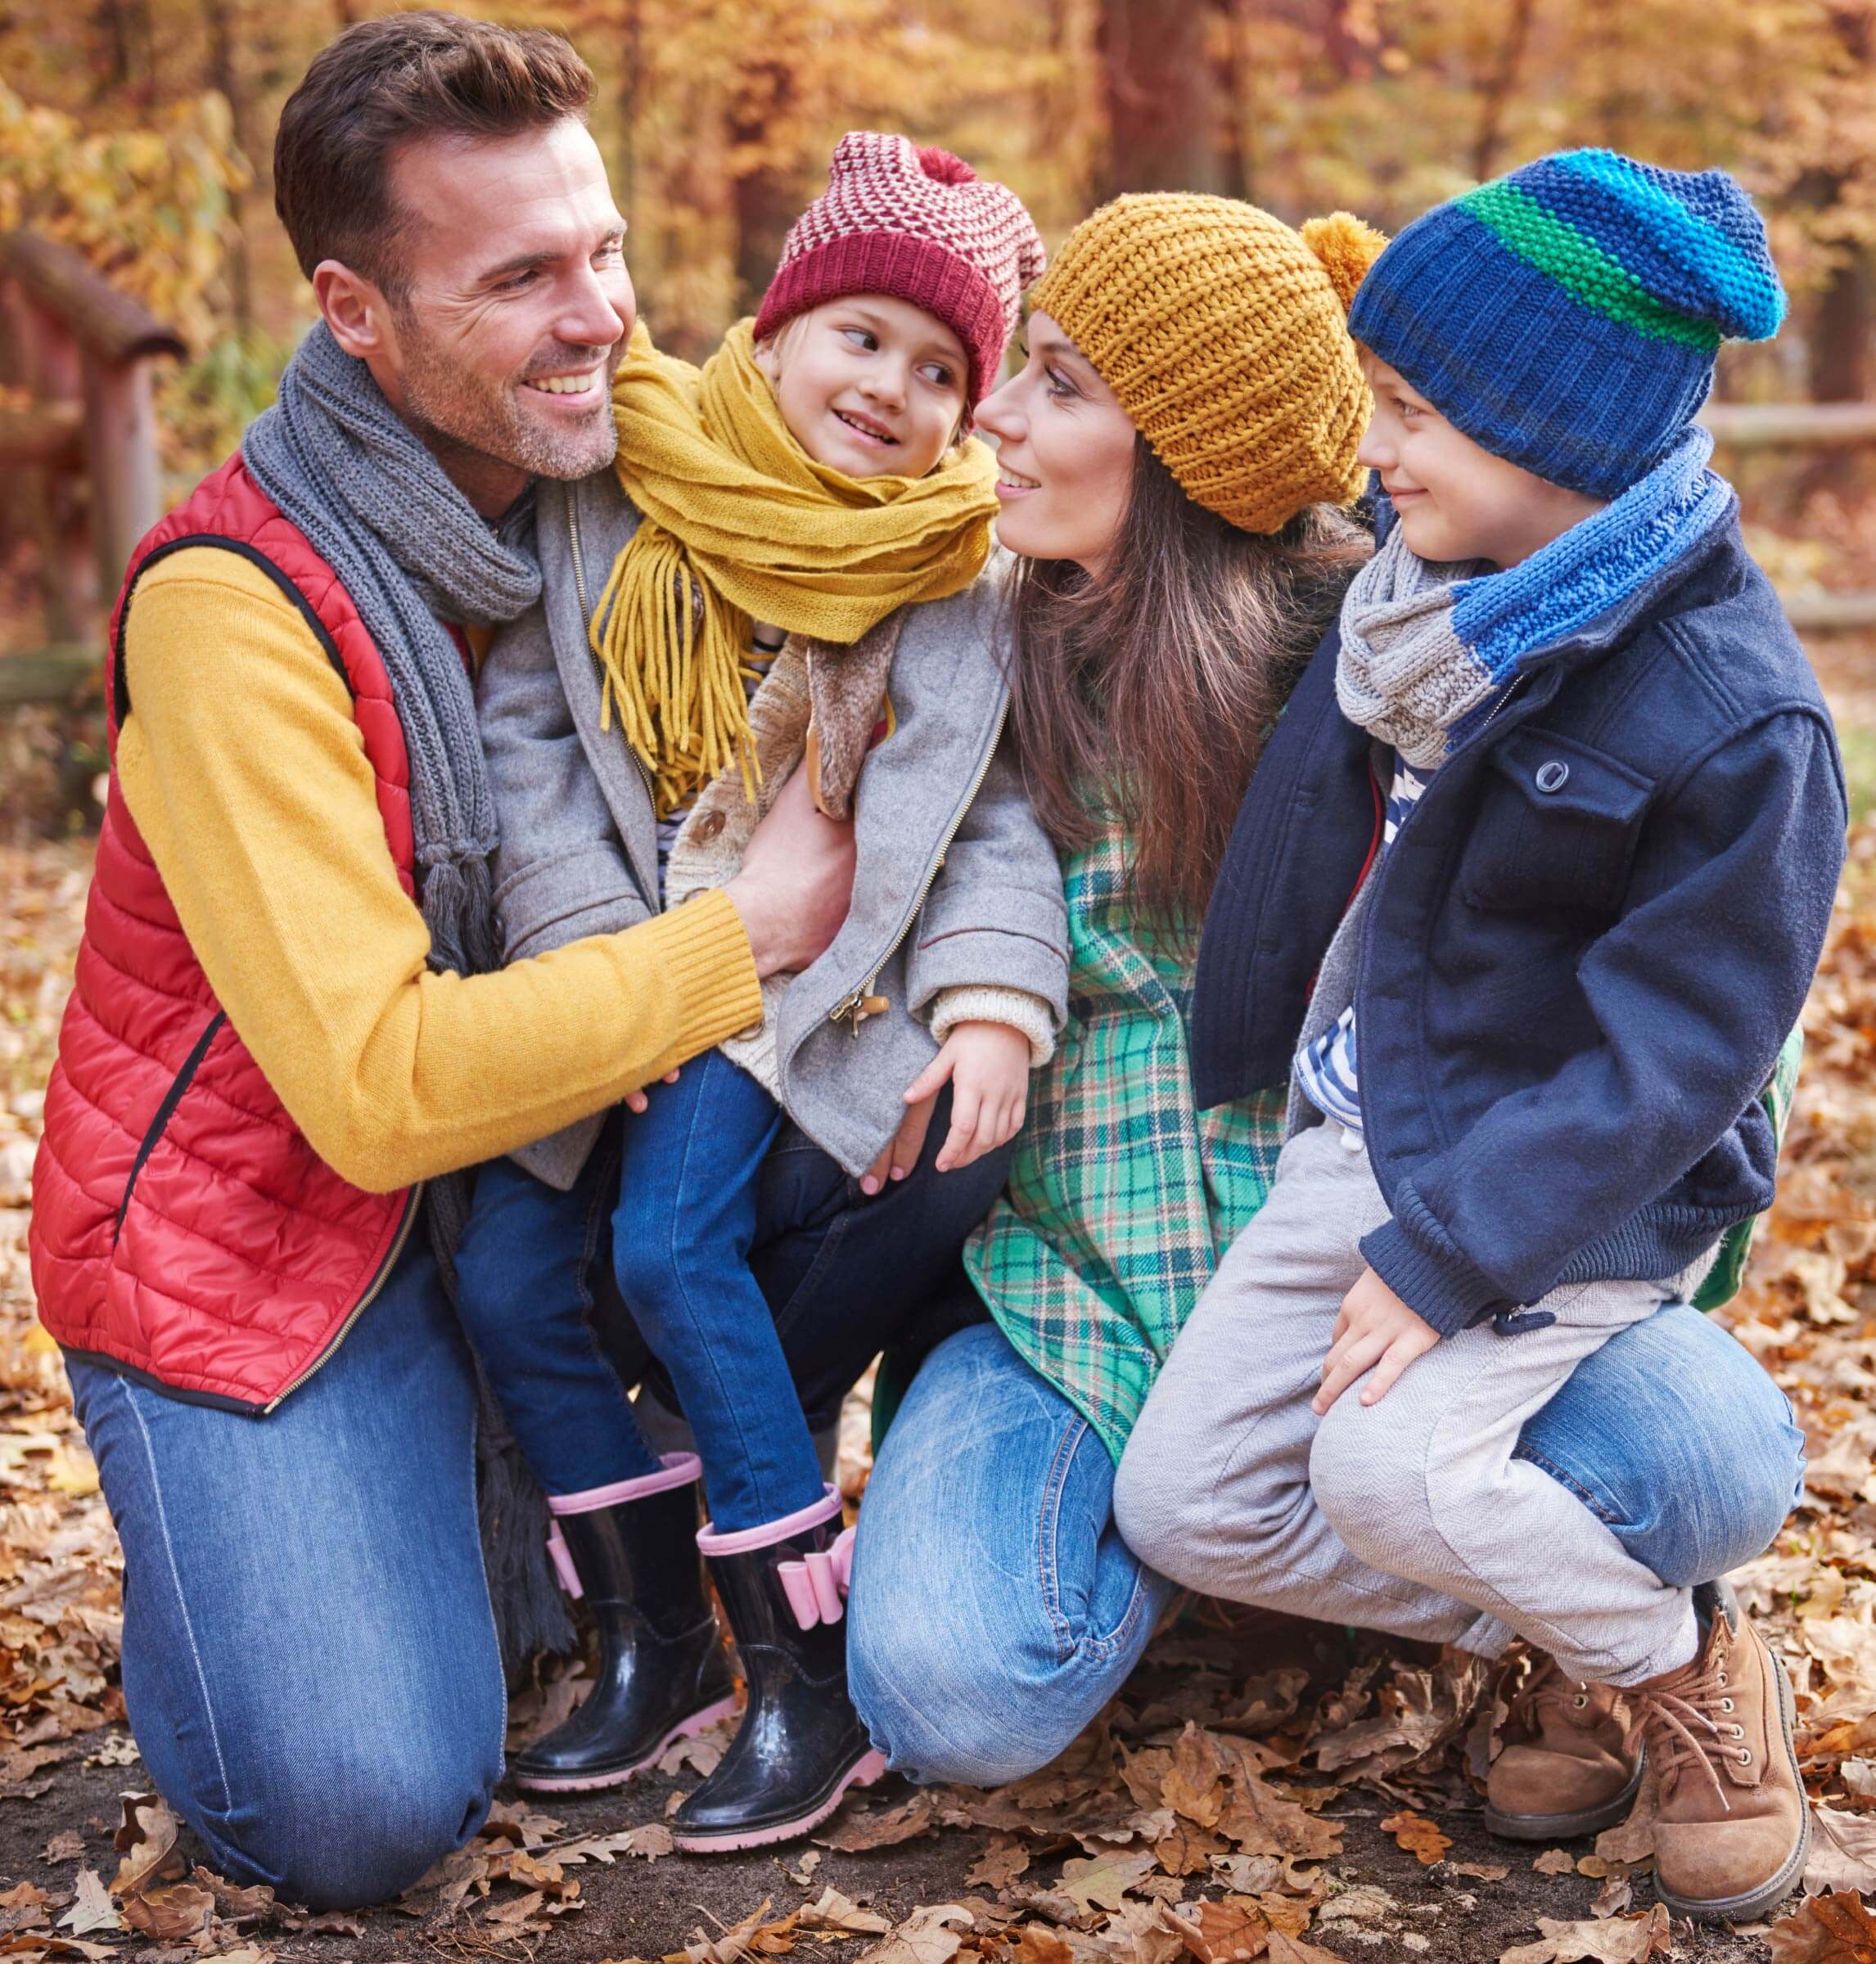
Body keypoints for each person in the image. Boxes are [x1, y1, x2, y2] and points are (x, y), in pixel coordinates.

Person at [26, 16, 985, 1911]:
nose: (602, 318)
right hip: (280, 1239)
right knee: (358, 1804)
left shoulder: (631, 482)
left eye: (607, 249)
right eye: (525, 277)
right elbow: (378, 1093)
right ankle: (247, 1551)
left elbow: (908, 594)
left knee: (905, 1138)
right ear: (355, 314)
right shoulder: (236, 614)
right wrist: (741, 940)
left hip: (541, 1173)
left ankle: (745, 1578)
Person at [844, 188, 1811, 1816]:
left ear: (1186, 451)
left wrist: (1471, 1254)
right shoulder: (966, 658)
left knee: (1703, 1465)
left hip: (1407, 1240)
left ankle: (1605, 1636)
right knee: (964, 1688)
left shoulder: (1400, 656)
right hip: (1084, 1290)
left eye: (1060, 382)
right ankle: (1342, 1571)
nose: (992, 416)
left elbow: (1674, 1034)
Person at [1114, 152, 1845, 1924]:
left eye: (1419, 412)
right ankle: (1570, 1622)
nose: (1379, 447)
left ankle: (1672, 1667)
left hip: (1567, 1193)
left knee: (1377, 1465)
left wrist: (1451, 1253)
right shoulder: (1415, 615)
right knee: (1191, 1503)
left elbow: (1672, 1061)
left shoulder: (1737, 722)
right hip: (1366, 1135)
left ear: (1568, 438)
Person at [453, 132, 1063, 1848]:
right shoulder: (620, 499)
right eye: (863, 336)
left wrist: (1000, 1003)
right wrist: (598, 970)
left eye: (943, 370)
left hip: (795, 1000)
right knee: (509, 1269)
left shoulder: (951, 583)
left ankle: (799, 1678)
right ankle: (655, 1645)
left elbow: (985, 828)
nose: (894, 389)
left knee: (666, 1247)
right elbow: (533, 763)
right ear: (781, 326)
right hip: (620, 972)